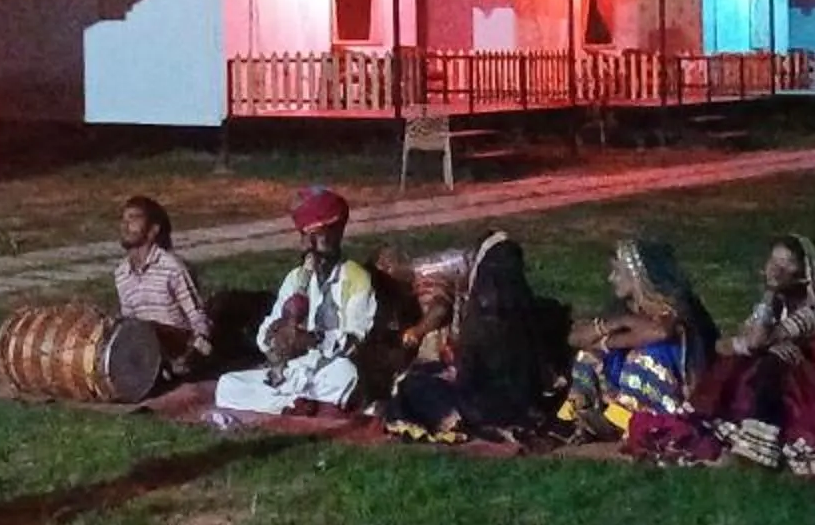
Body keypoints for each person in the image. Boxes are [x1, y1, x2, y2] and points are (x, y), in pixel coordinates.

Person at [692, 235, 815, 474]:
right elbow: (731, 344)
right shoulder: (776, 303)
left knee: (774, 360)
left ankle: (758, 452)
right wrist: (741, 343)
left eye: (787, 264)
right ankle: (732, 434)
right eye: (774, 260)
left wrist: (767, 297)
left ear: (803, 274)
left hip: (809, 388)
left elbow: (756, 340)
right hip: (777, 376)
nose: (776, 269)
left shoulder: (813, 310)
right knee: (739, 363)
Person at [213, 187, 377, 417]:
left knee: (345, 374)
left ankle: (288, 403)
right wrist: (273, 335)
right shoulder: (294, 278)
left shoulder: (357, 278)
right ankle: (294, 405)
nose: (308, 246)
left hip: (329, 368)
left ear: (337, 233)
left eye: (317, 236)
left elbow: (354, 341)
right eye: (303, 236)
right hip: (292, 370)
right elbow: (266, 331)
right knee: (227, 384)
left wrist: (310, 340)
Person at [382, 231, 553, 444]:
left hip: (488, 275)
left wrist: (416, 332)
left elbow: (439, 309)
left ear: (389, 268)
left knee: (414, 383)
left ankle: (459, 420)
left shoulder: (424, 277)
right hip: (520, 390)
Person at [557, 236, 718, 441]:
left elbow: (660, 332)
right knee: (588, 355)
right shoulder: (623, 304)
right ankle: (579, 418)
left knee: (645, 354)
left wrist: (614, 333)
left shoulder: (678, 303)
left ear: (637, 275)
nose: (611, 278)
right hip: (629, 382)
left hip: (684, 389)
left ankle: (626, 422)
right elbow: (575, 338)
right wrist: (607, 330)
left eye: (617, 272)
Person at [110, 195, 213, 381]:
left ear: (153, 230)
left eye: (134, 219)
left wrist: (194, 353)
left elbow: (198, 318)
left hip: (176, 347)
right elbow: (130, 322)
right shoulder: (122, 274)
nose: (125, 226)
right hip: (145, 351)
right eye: (124, 219)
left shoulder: (172, 268)